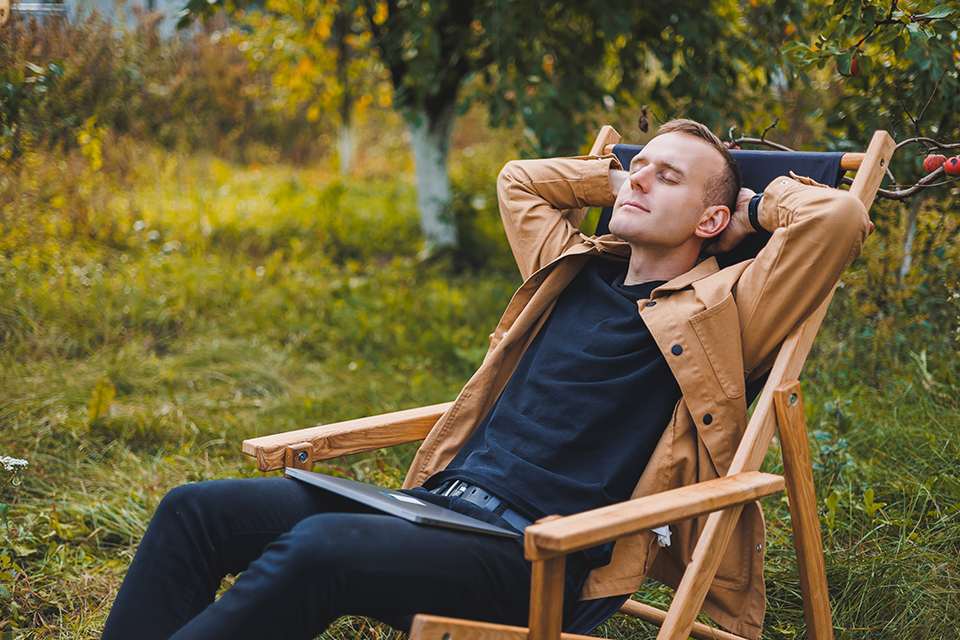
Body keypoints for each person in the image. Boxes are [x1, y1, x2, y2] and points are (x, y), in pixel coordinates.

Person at [100, 119, 869, 640]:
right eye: (635, 168)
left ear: (709, 223)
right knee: (191, 511)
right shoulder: (569, 268)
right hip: (434, 508)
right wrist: (626, 180)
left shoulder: (724, 309)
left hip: (536, 553)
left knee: (318, 549)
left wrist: (753, 202)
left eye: (666, 180)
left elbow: (834, 222)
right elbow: (520, 181)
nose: (634, 181)